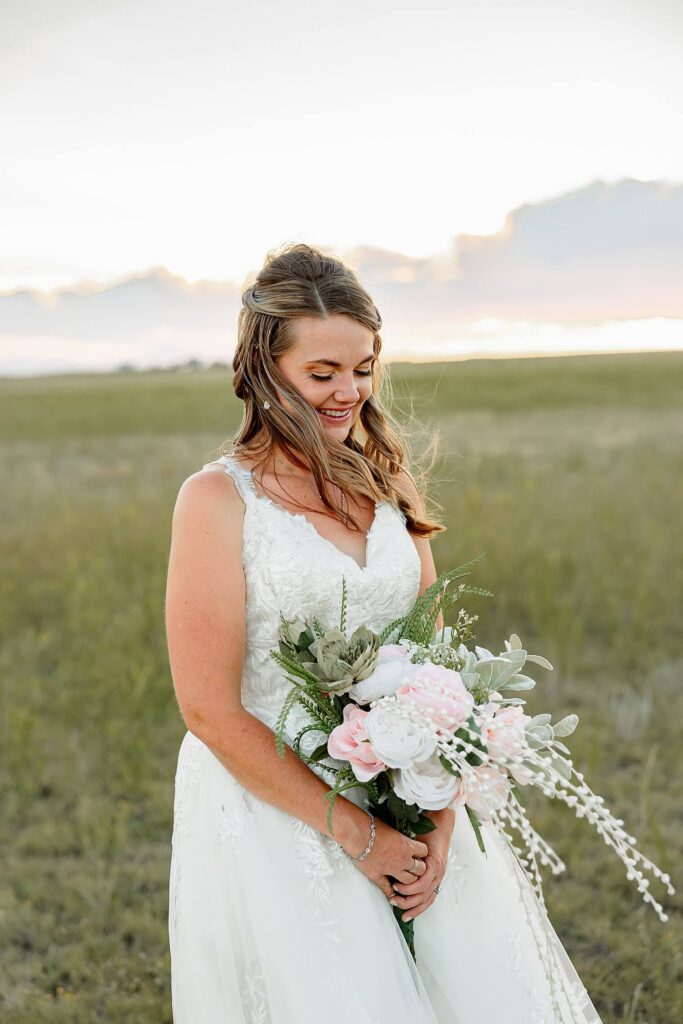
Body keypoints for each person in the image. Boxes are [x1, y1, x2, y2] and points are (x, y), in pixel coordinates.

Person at [165, 243, 602, 1023]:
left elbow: (437, 668)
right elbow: (206, 707)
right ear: (266, 368)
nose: (347, 392)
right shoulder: (215, 499)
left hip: (411, 785)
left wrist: (432, 820)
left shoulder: (387, 481)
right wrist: (360, 837)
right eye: (321, 373)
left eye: (362, 368)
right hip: (279, 812)